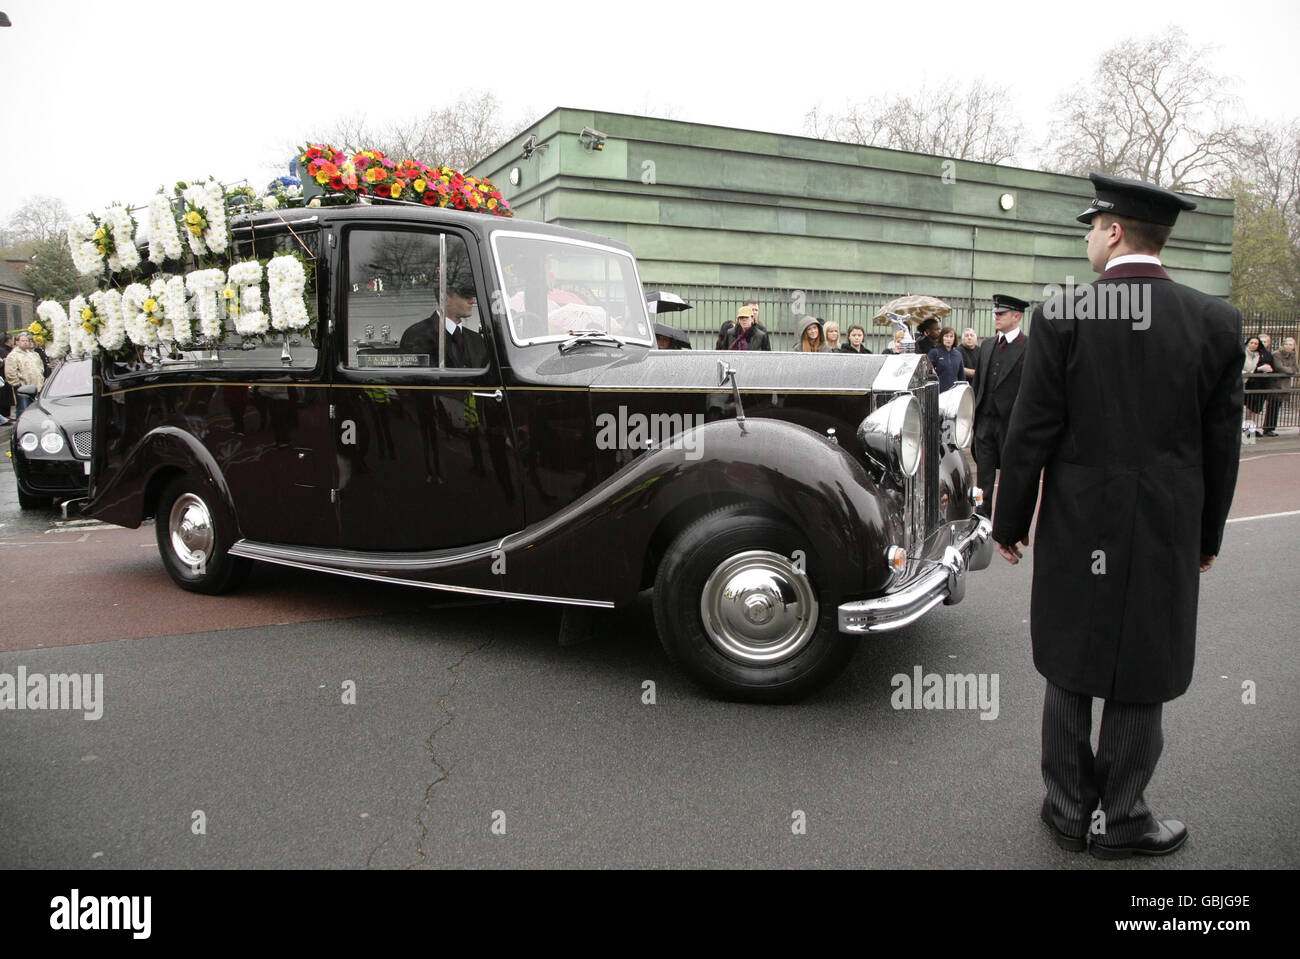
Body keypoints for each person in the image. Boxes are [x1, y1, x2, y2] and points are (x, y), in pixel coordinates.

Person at [993, 172, 1243, 859]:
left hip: (1079, 520)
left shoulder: (1064, 311)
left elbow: (1030, 431)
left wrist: (1008, 522)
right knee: (1145, 662)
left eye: (1090, 226)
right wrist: (1207, 535)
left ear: (1113, 231)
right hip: (1165, 523)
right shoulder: (1216, 321)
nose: (1086, 238)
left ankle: (1069, 810)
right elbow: (1223, 444)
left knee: (1072, 659)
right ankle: (1124, 816)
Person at [970, 293, 1029, 519]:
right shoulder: (987, 345)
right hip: (985, 419)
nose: (996, 316)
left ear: (1016, 316)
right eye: (995, 312)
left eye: (1001, 313)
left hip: (1010, 422)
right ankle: (982, 518)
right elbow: (979, 383)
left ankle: (1007, 519)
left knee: (1011, 474)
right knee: (983, 473)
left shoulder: (1029, 346)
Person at [399, 273, 486, 369]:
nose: (472, 301)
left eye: (472, 296)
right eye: (466, 295)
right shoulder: (416, 336)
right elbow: (418, 379)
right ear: (445, 298)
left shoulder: (476, 340)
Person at [4, 331, 45, 416]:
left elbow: (41, 368)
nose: (25, 342)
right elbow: (10, 373)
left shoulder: (34, 354)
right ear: (17, 342)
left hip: (38, 387)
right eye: (23, 341)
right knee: (23, 410)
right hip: (23, 389)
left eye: (27, 340)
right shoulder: (13, 355)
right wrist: (18, 385)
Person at [1257, 332, 1284, 436]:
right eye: (1261, 341)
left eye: (1265, 341)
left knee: (1271, 406)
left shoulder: (1268, 354)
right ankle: (1248, 432)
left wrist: (1270, 369)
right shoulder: (1252, 352)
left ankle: (1268, 428)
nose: (1263, 343)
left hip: (1268, 383)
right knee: (1251, 410)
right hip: (1254, 383)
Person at [927, 326, 966, 393]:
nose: (949, 339)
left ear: (954, 339)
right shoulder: (934, 352)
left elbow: (961, 376)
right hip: (938, 392)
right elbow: (927, 373)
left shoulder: (958, 354)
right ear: (942, 338)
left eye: (951, 336)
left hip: (954, 392)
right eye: (946, 336)